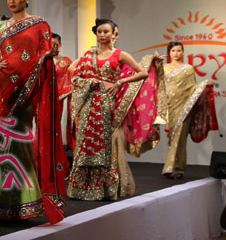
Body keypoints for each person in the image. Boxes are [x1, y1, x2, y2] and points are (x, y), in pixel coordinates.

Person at [0, 0, 68, 224]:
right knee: (5, 142)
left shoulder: (39, 24)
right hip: (3, 87)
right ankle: (7, 201)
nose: (12, 1)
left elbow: (43, 55)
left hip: (27, 89)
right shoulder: (0, 27)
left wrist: (50, 55)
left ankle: (24, 199)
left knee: (20, 138)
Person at [67, 19, 163, 201]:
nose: (102, 35)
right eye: (99, 32)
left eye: (106, 31)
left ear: (113, 34)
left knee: (102, 145)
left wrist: (119, 82)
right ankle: (82, 188)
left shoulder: (119, 54)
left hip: (105, 103)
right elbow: (73, 70)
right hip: (87, 103)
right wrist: (89, 82)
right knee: (84, 143)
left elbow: (142, 72)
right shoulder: (89, 54)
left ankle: (102, 188)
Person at [161, 41, 218, 178]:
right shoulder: (163, 68)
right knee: (172, 136)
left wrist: (204, 84)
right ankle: (178, 167)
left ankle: (170, 166)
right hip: (169, 106)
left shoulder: (188, 69)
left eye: (179, 50)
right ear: (169, 53)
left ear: (183, 52)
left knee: (180, 135)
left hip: (184, 107)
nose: (176, 53)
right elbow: (159, 87)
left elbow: (192, 88)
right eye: (173, 51)